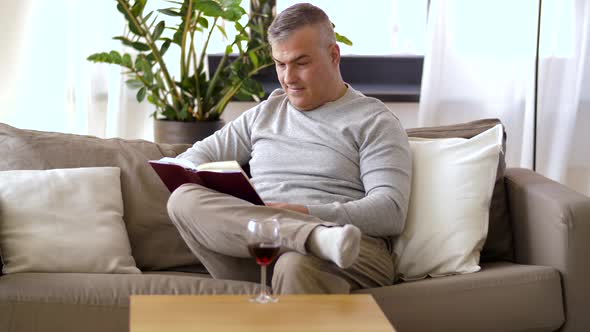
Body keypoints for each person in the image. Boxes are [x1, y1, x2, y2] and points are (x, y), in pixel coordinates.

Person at [167, 3, 411, 294]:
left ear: (334, 55)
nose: (288, 78)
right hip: (258, 246)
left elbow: (390, 211)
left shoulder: (373, 120)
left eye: (301, 63)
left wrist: (305, 212)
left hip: (347, 248)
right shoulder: (267, 111)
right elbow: (192, 159)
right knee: (181, 199)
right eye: (280, 65)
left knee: (294, 265)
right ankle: (309, 238)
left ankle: (316, 240)